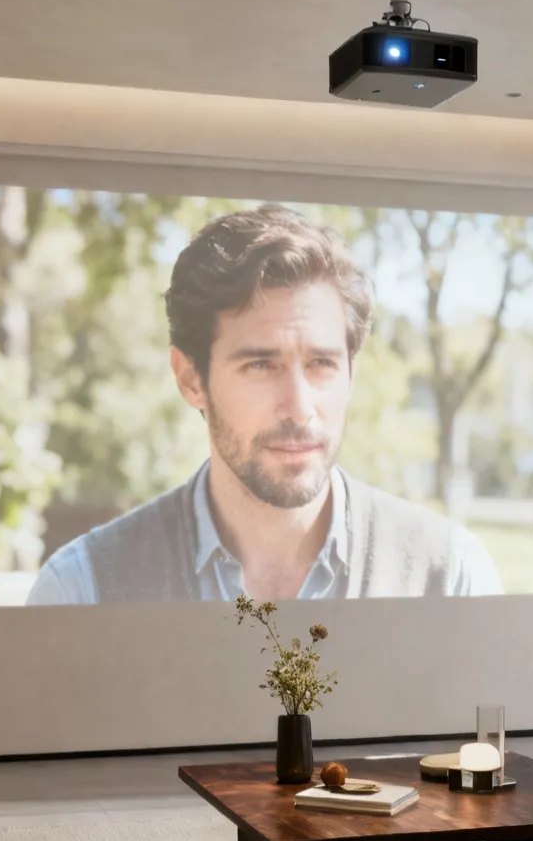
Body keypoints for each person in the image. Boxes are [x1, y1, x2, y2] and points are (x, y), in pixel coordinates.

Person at [28, 204, 503, 604]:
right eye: (260, 365)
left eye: (321, 364)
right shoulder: (81, 592)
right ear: (191, 378)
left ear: (351, 374)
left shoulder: (451, 578)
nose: (299, 408)